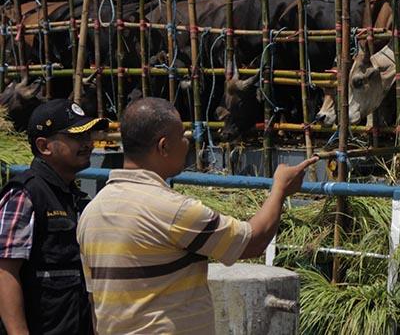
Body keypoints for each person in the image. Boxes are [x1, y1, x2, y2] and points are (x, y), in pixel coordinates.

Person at [78, 97, 318, 334]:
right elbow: (252, 241)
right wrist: (280, 190)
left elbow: (94, 301)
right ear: (164, 146)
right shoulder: (173, 210)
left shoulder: (92, 212)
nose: (188, 141)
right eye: (182, 135)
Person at [0, 99, 108, 335]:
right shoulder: (26, 194)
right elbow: (5, 272)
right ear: (44, 146)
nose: (87, 144)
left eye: (88, 136)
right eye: (76, 137)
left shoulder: (75, 197)